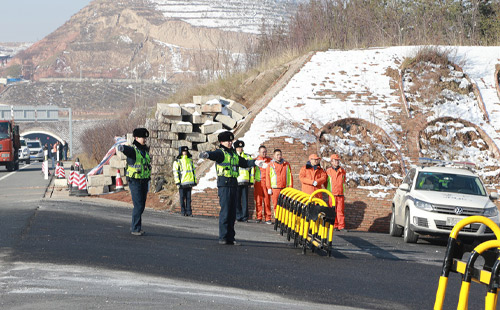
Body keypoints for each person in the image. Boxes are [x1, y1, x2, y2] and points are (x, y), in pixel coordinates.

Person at [199, 131, 266, 245]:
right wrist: (207, 155)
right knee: (225, 211)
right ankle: (223, 237)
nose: (230, 143)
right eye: (228, 141)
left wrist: (255, 162)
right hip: (224, 185)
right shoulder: (221, 152)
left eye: (231, 141)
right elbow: (214, 154)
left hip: (233, 184)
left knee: (232, 213)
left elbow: (244, 163)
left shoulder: (234, 154)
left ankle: (231, 237)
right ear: (221, 142)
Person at [117, 128, 151, 236]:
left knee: (142, 206)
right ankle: (135, 228)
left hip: (144, 181)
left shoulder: (145, 151)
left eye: (145, 138)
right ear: (136, 138)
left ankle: (138, 227)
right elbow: (126, 150)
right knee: (138, 205)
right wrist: (122, 148)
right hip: (135, 181)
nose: (144, 140)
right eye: (142, 138)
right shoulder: (133, 150)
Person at [265, 149, 293, 223]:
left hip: (284, 188)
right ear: (274, 156)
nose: (279, 156)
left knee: (285, 205)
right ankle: (278, 219)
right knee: (276, 205)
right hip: (275, 188)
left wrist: (290, 187)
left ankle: (284, 220)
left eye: (280, 154)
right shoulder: (270, 165)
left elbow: (290, 176)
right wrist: (269, 188)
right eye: (277, 155)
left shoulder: (286, 164)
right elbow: (268, 177)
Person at [173, 146, 197, 216]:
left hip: (189, 182)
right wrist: (177, 182)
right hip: (182, 182)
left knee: (189, 198)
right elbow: (176, 173)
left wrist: (194, 180)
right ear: (181, 152)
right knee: (182, 197)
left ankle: (189, 212)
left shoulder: (190, 160)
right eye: (183, 151)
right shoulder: (177, 161)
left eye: (186, 151)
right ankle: (183, 211)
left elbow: (193, 171)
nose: (185, 153)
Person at [234, 140, 254, 222]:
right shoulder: (234, 157)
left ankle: (245, 216)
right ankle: (238, 216)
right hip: (237, 181)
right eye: (238, 147)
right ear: (235, 148)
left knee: (245, 200)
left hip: (245, 180)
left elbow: (252, 170)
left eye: (241, 147)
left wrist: (251, 180)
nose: (240, 149)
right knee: (237, 200)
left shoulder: (247, 157)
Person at [326, 154, 347, 231]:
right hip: (332, 194)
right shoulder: (328, 171)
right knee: (333, 210)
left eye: (338, 160)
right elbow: (326, 183)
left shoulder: (342, 171)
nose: (337, 162)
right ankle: (334, 225)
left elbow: (343, 182)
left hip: (340, 194)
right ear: (331, 162)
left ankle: (341, 226)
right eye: (335, 160)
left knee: (340, 211)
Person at [253, 145, 272, 223]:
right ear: (259, 152)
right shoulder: (256, 161)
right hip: (258, 182)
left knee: (267, 201)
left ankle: (268, 218)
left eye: (265, 151)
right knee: (258, 200)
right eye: (263, 152)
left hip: (267, 183)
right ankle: (259, 217)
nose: (264, 153)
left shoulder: (270, 160)